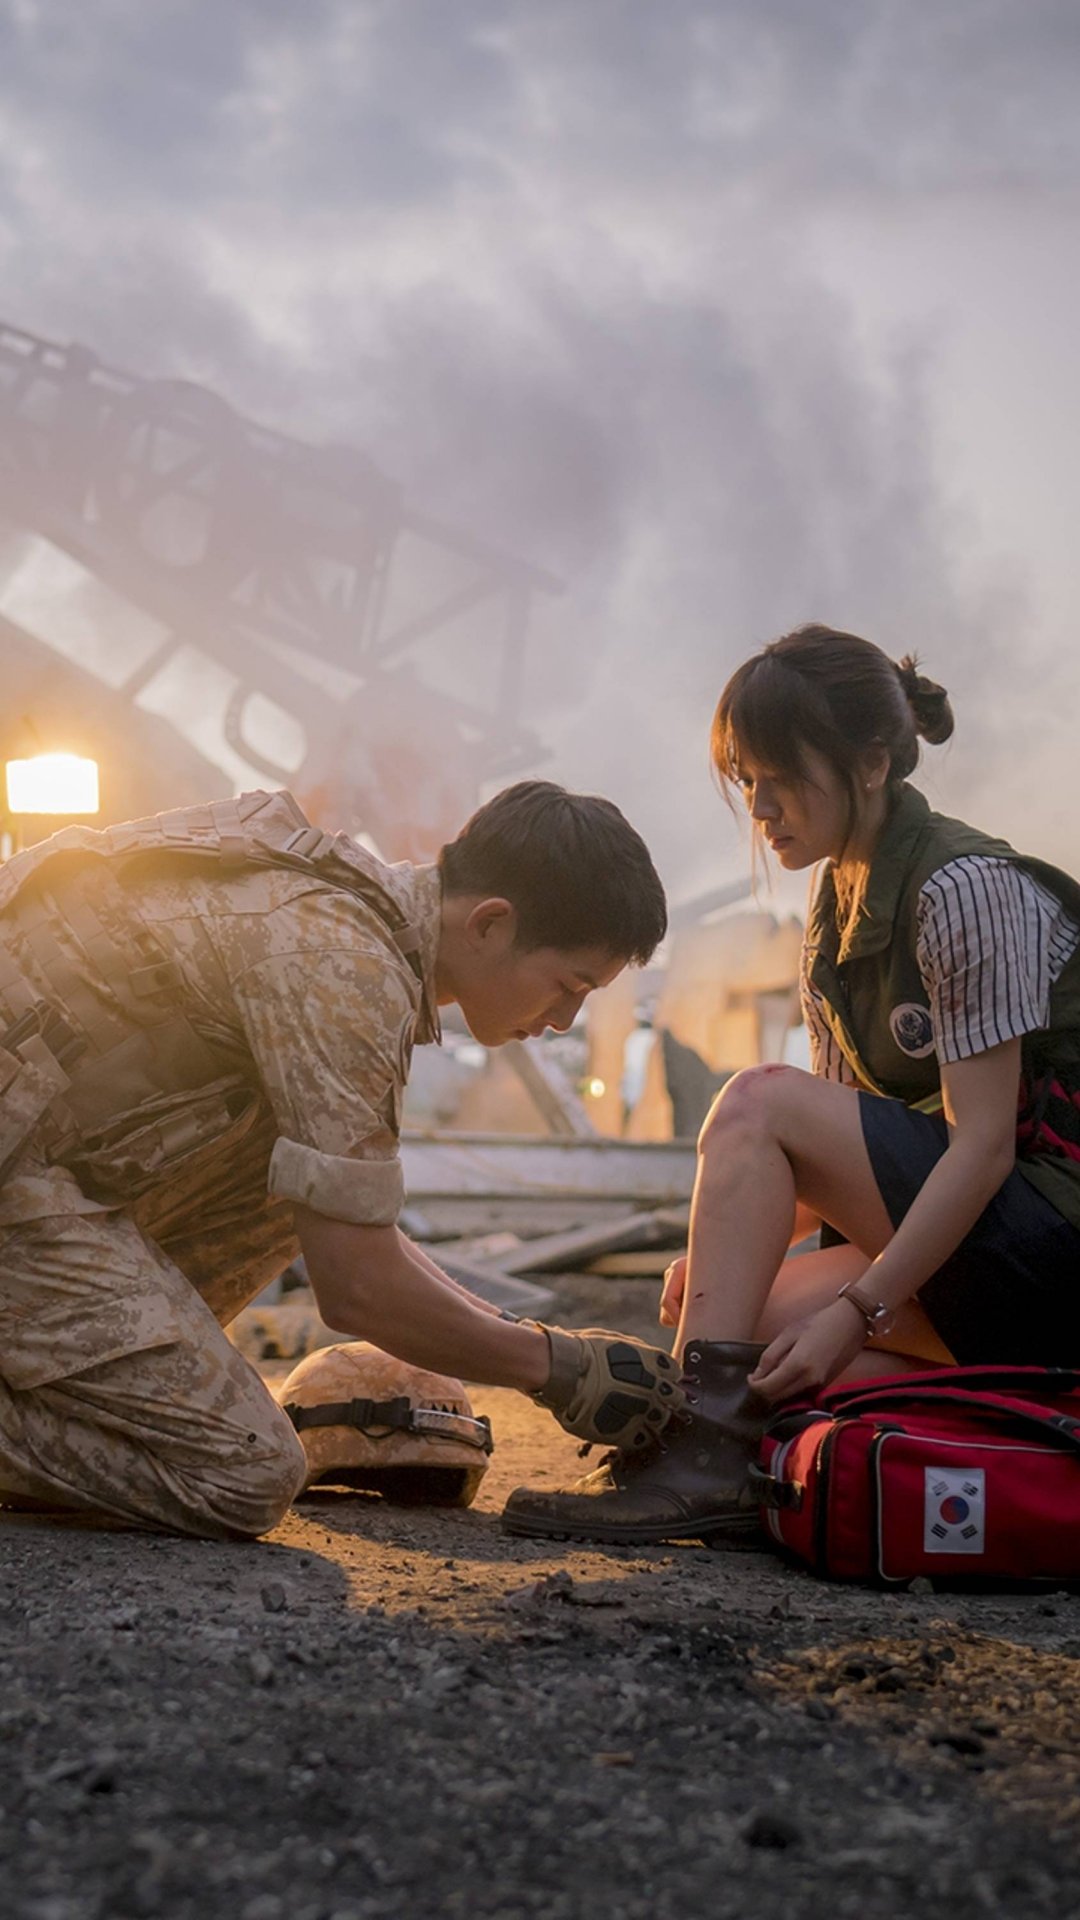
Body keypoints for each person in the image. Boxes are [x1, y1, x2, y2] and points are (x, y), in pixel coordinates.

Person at [503, 624, 1080, 1544]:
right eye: (744, 780)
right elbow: (842, 1150)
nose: (760, 807)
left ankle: (693, 1459)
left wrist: (856, 1309)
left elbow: (984, 1147)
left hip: (1051, 1243)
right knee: (755, 1362)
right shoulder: (835, 902)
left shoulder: (967, 890)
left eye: (779, 776)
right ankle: (721, 1459)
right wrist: (744, 1272)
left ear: (872, 762)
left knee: (756, 1101)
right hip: (988, 1255)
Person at [0, 778, 682, 1539]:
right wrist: (557, 1370)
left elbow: (358, 1228)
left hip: (37, 1170)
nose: (564, 1020)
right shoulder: (343, 964)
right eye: (569, 985)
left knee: (306, 1176)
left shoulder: (352, 921)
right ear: (492, 923)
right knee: (242, 1472)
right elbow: (358, 1286)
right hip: (21, 1185)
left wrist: (542, 1341)